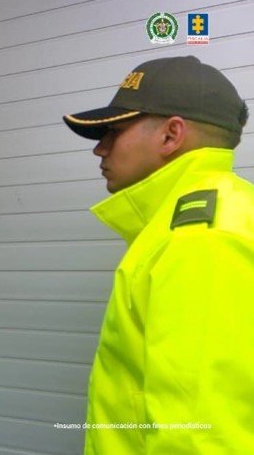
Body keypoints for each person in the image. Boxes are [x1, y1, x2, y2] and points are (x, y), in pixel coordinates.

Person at [63, 56, 254, 453]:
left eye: (113, 131)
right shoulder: (221, 212)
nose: (100, 148)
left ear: (171, 135)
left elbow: (197, 435)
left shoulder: (199, 239)